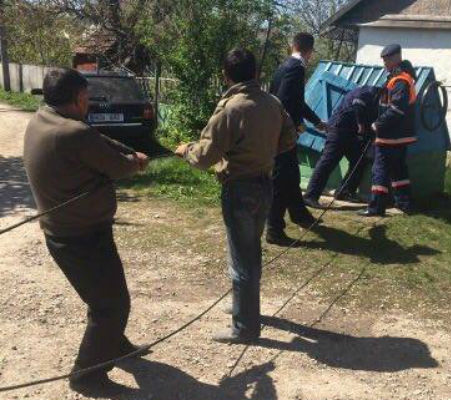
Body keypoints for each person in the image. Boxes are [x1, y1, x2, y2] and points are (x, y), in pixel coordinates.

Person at [23, 68, 149, 394]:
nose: (89, 102)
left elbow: (97, 142)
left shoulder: (42, 119)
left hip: (67, 232)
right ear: (79, 98)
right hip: (82, 237)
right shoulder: (74, 134)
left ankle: (113, 344)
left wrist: (125, 151)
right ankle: (86, 377)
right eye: (88, 97)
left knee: (102, 297)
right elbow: (118, 166)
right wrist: (135, 160)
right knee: (112, 306)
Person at [175, 49, 296, 344]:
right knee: (251, 251)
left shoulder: (231, 108)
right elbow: (290, 139)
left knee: (242, 259)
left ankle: (244, 329)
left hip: (239, 189)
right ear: (255, 73)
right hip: (265, 185)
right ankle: (246, 308)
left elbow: (204, 156)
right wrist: (263, 152)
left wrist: (186, 150)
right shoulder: (273, 103)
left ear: (225, 75)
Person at [267, 32, 327, 246]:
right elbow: (285, 100)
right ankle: (274, 229)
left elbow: (292, 100)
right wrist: (294, 123)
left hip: (277, 128)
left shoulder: (283, 66)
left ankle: (300, 214)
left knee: (291, 174)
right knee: (282, 179)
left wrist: (315, 121)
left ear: (293, 45)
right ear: (309, 51)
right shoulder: (297, 68)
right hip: (283, 132)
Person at [358, 44, 418, 216]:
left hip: (390, 135)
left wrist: (378, 124)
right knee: (398, 170)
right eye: (383, 60)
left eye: (387, 60)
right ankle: (405, 204)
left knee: (379, 169)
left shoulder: (400, 81)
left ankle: (376, 207)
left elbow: (397, 109)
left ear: (396, 58)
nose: (384, 63)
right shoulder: (401, 77)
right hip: (400, 136)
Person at [302, 85, 381, 208]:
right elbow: (358, 105)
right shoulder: (367, 92)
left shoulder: (375, 101)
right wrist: (361, 125)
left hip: (351, 134)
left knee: (359, 160)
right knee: (328, 162)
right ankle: (310, 196)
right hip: (339, 129)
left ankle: (345, 192)